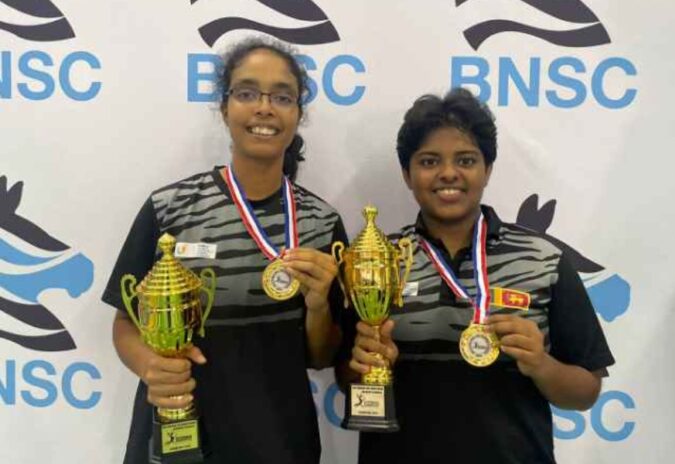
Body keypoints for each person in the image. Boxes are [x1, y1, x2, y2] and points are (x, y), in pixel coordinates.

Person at [336, 88, 615, 463]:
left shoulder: (543, 260)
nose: (448, 173)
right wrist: (363, 365)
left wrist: (541, 365)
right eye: (429, 161)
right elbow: (345, 377)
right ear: (407, 174)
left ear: (488, 169)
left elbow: (586, 391)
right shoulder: (376, 262)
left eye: (465, 160)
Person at [102, 37, 347, 464]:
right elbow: (126, 321)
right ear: (224, 107)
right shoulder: (170, 209)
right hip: (178, 440)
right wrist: (150, 366)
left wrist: (319, 307)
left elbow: (321, 356)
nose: (264, 108)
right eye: (247, 93)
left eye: (282, 97)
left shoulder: (321, 222)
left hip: (279, 443)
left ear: (297, 114)